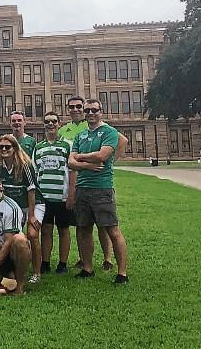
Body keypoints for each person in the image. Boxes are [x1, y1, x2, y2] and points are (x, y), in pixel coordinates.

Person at [68, 98, 129, 284]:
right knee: (83, 229)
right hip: (82, 188)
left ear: (101, 111)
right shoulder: (80, 135)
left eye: (94, 110)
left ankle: (122, 273)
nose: (90, 114)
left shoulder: (109, 132)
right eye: (87, 111)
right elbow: (70, 163)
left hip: (102, 188)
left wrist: (80, 158)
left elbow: (102, 155)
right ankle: (87, 268)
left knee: (112, 229)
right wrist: (87, 164)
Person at [58, 95, 114, 271]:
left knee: (103, 225)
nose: (75, 110)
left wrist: (109, 163)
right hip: (77, 179)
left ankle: (108, 258)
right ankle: (84, 260)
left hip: (99, 181)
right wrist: (88, 165)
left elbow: (121, 142)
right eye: (71, 107)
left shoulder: (96, 125)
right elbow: (69, 160)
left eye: (79, 107)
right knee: (82, 225)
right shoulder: (64, 130)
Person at [0, 133, 44, 284]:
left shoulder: (25, 164)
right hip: (14, 207)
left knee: (32, 234)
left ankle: (36, 272)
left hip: (33, 204)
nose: (4, 149)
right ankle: (12, 269)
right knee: (13, 237)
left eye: (7, 146)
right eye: (1, 147)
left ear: (15, 148)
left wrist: (31, 216)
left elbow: (31, 191)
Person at [34, 111, 75, 275]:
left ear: (59, 124)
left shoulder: (68, 145)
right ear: (43, 125)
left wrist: (71, 193)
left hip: (62, 196)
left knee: (64, 229)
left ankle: (63, 263)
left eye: (53, 121)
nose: (50, 124)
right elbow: (36, 170)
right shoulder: (39, 147)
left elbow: (72, 170)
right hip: (44, 197)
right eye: (47, 122)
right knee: (46, 230)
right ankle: (45, 262)